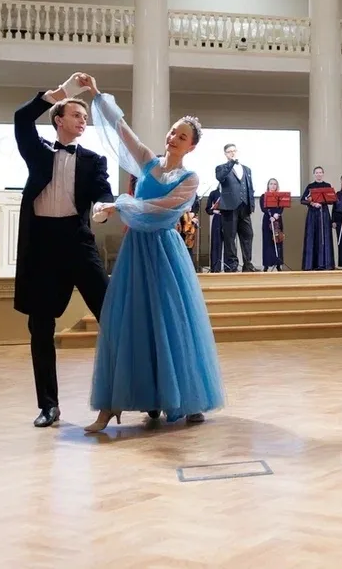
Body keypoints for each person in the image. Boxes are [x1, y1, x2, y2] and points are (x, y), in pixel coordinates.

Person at [85, 82, 224, 431]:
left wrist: (120, 205)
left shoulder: (190, 178)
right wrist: (98, 96)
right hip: (136, 250)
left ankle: (186, 397)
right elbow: (122, 130)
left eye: (182, 136)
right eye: (173, 131)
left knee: (171, 321)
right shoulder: (148, 162)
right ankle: (129, 401)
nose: (174, 137)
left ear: (191, 146)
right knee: (135, 320)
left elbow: (162, 206)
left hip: (164, 251)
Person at [13, 73, 114, 428]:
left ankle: (139, 394)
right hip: (42, 246)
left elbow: (103, 191)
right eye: (76, 115)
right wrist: (61, 92)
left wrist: (104, 206)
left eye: (85, 117)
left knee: (113, 316)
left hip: (78, 241)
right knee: (40, 327)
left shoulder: (94, 159)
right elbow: (21, 117)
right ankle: (49, 406)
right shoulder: (36, 150)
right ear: (58, 120)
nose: (83, 121)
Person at [215, 143, 256, 272]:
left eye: (234, 150)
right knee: (230, 237)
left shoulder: (247, 169)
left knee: (248, 235)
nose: (232, 153)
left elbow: (250, 188)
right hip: (229, 207)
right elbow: (220, 177)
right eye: (229, 151)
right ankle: (232, 265)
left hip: (244, 206)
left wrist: (251, 205)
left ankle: (248, 264)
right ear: (225, 154)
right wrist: (231, 163)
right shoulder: (221, 168)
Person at [301, 167, 335, 271]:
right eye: (317, 172)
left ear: (323, 174)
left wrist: (323, 201)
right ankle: (311, 264)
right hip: (312, 214)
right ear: (314, 174)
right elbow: (303, 200)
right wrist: (312, 203)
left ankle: (325, 263)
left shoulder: (327, 185)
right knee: (312, 236)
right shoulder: (310, 186)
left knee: (324, 237)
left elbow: (332, 200)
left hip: (323, 213)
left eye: (320, 172)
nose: (319, 174)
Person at [260, 178, 286, 272]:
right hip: (268, 219)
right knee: (267, 242)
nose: (273, 186)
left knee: (278, 240)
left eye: (275, 184)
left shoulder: (280, 196)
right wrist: (270, 215)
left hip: (277, 219)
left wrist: (276, 216)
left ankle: (278, 264)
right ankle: (266, 265)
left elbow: (281, 208)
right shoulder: (263, 196)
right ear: (268, 185)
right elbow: (263, 208)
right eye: (271, 184)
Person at [204, 189, 223, 272]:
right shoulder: (214, 193)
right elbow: (208, 209)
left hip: (229, 219)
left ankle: (230, 266)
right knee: (216, 243)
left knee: (230, 243)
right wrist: (214, 210)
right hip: (218, 217)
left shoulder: (231, 191)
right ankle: (215, 267)